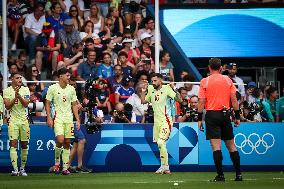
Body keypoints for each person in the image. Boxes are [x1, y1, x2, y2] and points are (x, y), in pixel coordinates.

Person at [197, 58, 242, 182]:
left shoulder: (205, 81)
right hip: (225, 114)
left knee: (216, 147)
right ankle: (238, 175)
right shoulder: (228, 80)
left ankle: (220, 175)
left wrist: (199, 118)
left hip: (212, 115)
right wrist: (237, 116)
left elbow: (201, 101)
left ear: (209, 67)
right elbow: (234, 99)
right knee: (232, 146)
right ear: (221, 67)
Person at [141, 73, 182, 174]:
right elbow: (143, 101)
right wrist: (143, 90)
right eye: (152, 81)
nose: (153, 82)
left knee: (160, 142)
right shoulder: (150, 88)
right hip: (157, 122)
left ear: (160, 80)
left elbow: (179, 100)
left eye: (155, 81)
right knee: (160, 145)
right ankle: (164, 166)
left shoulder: (167, 88)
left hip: (166, 120)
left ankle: (165, 167)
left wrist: (174, 88)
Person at [45, 68, 80, 175]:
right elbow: (47, 103)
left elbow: (74, 105)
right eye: (67, 75)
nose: (69, 78)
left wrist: (77, 119)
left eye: (69, 76)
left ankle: (65, 168)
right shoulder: (52, 88)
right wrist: (49, 117)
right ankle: (56, 163)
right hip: (58, 118)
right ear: (61, 76)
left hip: (69, 119)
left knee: (67, 142)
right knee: (60, 140)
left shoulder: (71, 89)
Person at [3, 73, 30, 176]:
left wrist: (20, 97)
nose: (19, 79)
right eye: (17, 78)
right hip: (13, 121)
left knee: (24, 145)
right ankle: (15, 169)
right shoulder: (6, 91)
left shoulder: (25, 89)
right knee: (13, 144)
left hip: (24, 121)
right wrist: (15, 98)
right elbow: (7, 106)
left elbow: (26, 104)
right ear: (12, 79)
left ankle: (22, 169)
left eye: (20, 78)